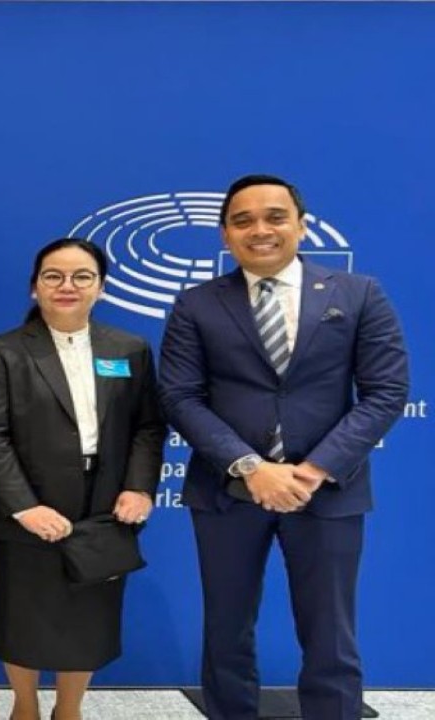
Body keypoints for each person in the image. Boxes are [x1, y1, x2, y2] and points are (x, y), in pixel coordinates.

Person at [159, 174, 409, 719]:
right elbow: (180, 397)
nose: (260, 230)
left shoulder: (358, 293)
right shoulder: (196, 304)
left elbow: (386, 391)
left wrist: (314, 469)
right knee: (226, 631)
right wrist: (251, 467)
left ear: (301, 225)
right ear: (226, 235)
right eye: (242, 220)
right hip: (228, 493)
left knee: (331, 637)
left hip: (327, 493)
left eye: (275, 216)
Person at [0, 238, 165, 720]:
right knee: (21, 617)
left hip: (103, 506)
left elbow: (148, 425)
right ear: (35, 288)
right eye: (53, 276)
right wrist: (24, 506)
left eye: (82, 277)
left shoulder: (129, 349)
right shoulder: (2, 351)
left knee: (89, 620)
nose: (67, 286)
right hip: (25, 506)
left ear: (101, 288)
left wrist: (138, 486)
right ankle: (26, 707)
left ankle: (69, 709)